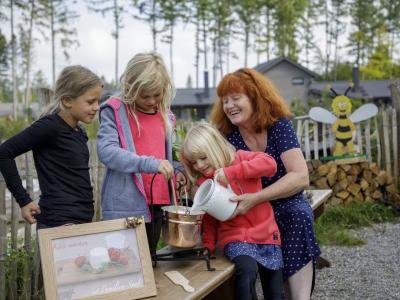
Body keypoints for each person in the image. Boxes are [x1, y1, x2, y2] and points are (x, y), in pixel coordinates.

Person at [210, 68, 320, 300]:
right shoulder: (226, 136)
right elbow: (207, 167)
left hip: (284, 203)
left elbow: (300, 176)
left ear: (255, 97)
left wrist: (259, 198)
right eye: (225, 100)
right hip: (247, 213)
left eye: (236, 98)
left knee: (300, 215)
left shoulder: (278, 126)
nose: (229, 105)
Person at [180, 122, 283, 300]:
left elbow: (270, 164)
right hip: (236, 238)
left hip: (267, 234)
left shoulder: (242, 158)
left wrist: (232, 172)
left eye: (203, 158)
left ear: (216, 148)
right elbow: (210, 219)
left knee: (275, 289)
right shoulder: (206, 183)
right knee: (247, 272)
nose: (199, 165)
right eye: (194, 162)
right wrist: (208, 245)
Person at [97, 52, 184, 255]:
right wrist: (150, 164)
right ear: (130, 87)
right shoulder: (115, 110)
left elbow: (168, 155)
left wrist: (179, 170)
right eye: (145, 96)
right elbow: (107, 151)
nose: (152, 101)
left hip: (157, 201)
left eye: (158, 94)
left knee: (149, 259)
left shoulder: (166, 116)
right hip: (126, 204)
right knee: (124, 263)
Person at [0, 65, 103, 229]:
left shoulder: (79, 132)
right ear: (67, 100)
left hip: (80, 220)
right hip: (59, 222)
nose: (96, 107)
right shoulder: (49, 127)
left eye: (98, 101)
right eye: (90, 102)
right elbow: (4, 152)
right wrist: (24, 200)